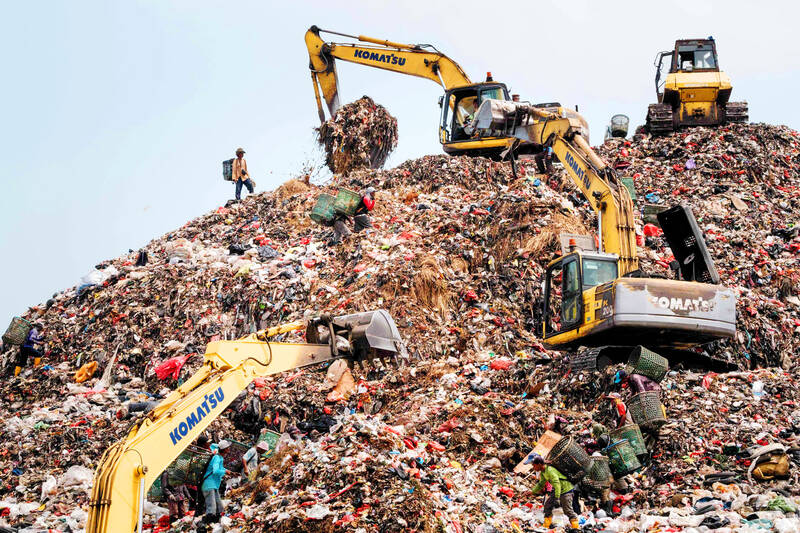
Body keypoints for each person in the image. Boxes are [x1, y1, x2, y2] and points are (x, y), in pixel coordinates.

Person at [527, 455, 580, 530]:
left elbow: (557, 484)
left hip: (566, 490)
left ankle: (576, 528)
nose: (533, 468)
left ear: (539, 464)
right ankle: (546, 526)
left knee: (567, 510)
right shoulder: (543, 472)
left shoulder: (550, 471)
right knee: (548, 506)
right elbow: (541, 484)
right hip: (558, 490)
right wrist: (532, 491)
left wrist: (557, 498)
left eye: (534, 465)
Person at [201, 443, 226, 523]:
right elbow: (215, 471)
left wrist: (227, 472)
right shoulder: (216, 458)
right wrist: (225, 471)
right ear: (225, 449)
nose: (229, 449)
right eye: (228, 448)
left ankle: (215, 525)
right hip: (209, 484)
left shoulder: (219, 458)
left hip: (214, 485)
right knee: (211, 509)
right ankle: (208, 526)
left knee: (219, 507)